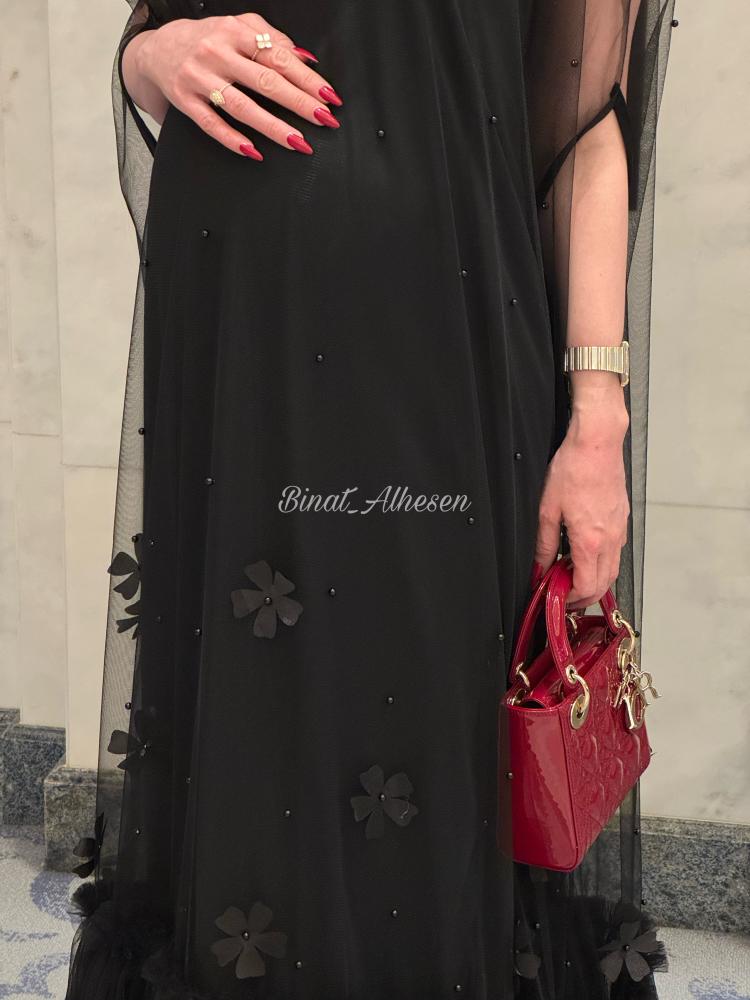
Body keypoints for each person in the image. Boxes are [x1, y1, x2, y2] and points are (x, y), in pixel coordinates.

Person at [64, 1, 677, 997]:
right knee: (255, 734)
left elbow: (583, 128)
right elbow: (159, 22)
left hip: (451, 352)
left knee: (434, 726)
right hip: (240, 339)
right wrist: (151, 55)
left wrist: (597, 418)